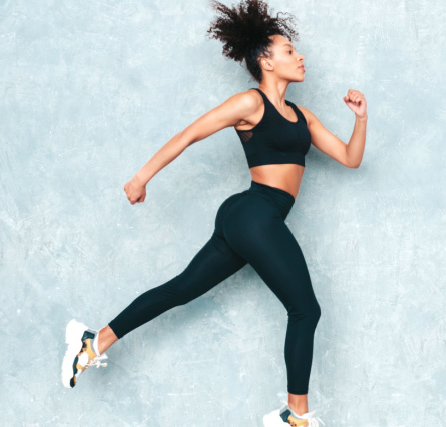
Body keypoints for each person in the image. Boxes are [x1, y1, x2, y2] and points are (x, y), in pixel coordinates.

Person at [60, 1, 367, 425]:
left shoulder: (303, 116)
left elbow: (350, 158)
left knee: (181, 289)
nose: (300, 57)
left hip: (253, 219)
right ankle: (295, 418)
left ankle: (95, 342)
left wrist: (360, 119)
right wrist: (140, 177)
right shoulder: (250, 103)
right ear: (266, 61)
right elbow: (191, 134)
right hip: (254, 214)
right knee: (306, 310)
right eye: (289, 51)